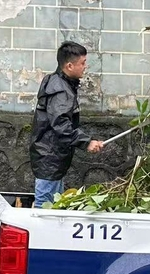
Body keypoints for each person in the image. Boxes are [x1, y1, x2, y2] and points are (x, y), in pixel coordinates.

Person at [29, 41, 103, 207]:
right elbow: (61, 124)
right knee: (45, 209)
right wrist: (87, 142)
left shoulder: (56, 81)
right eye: (82, 63)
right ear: (70, 66)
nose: (85, 66)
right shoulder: (61, 90)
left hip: (51, 157)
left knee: (52, 205)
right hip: (50, 158)